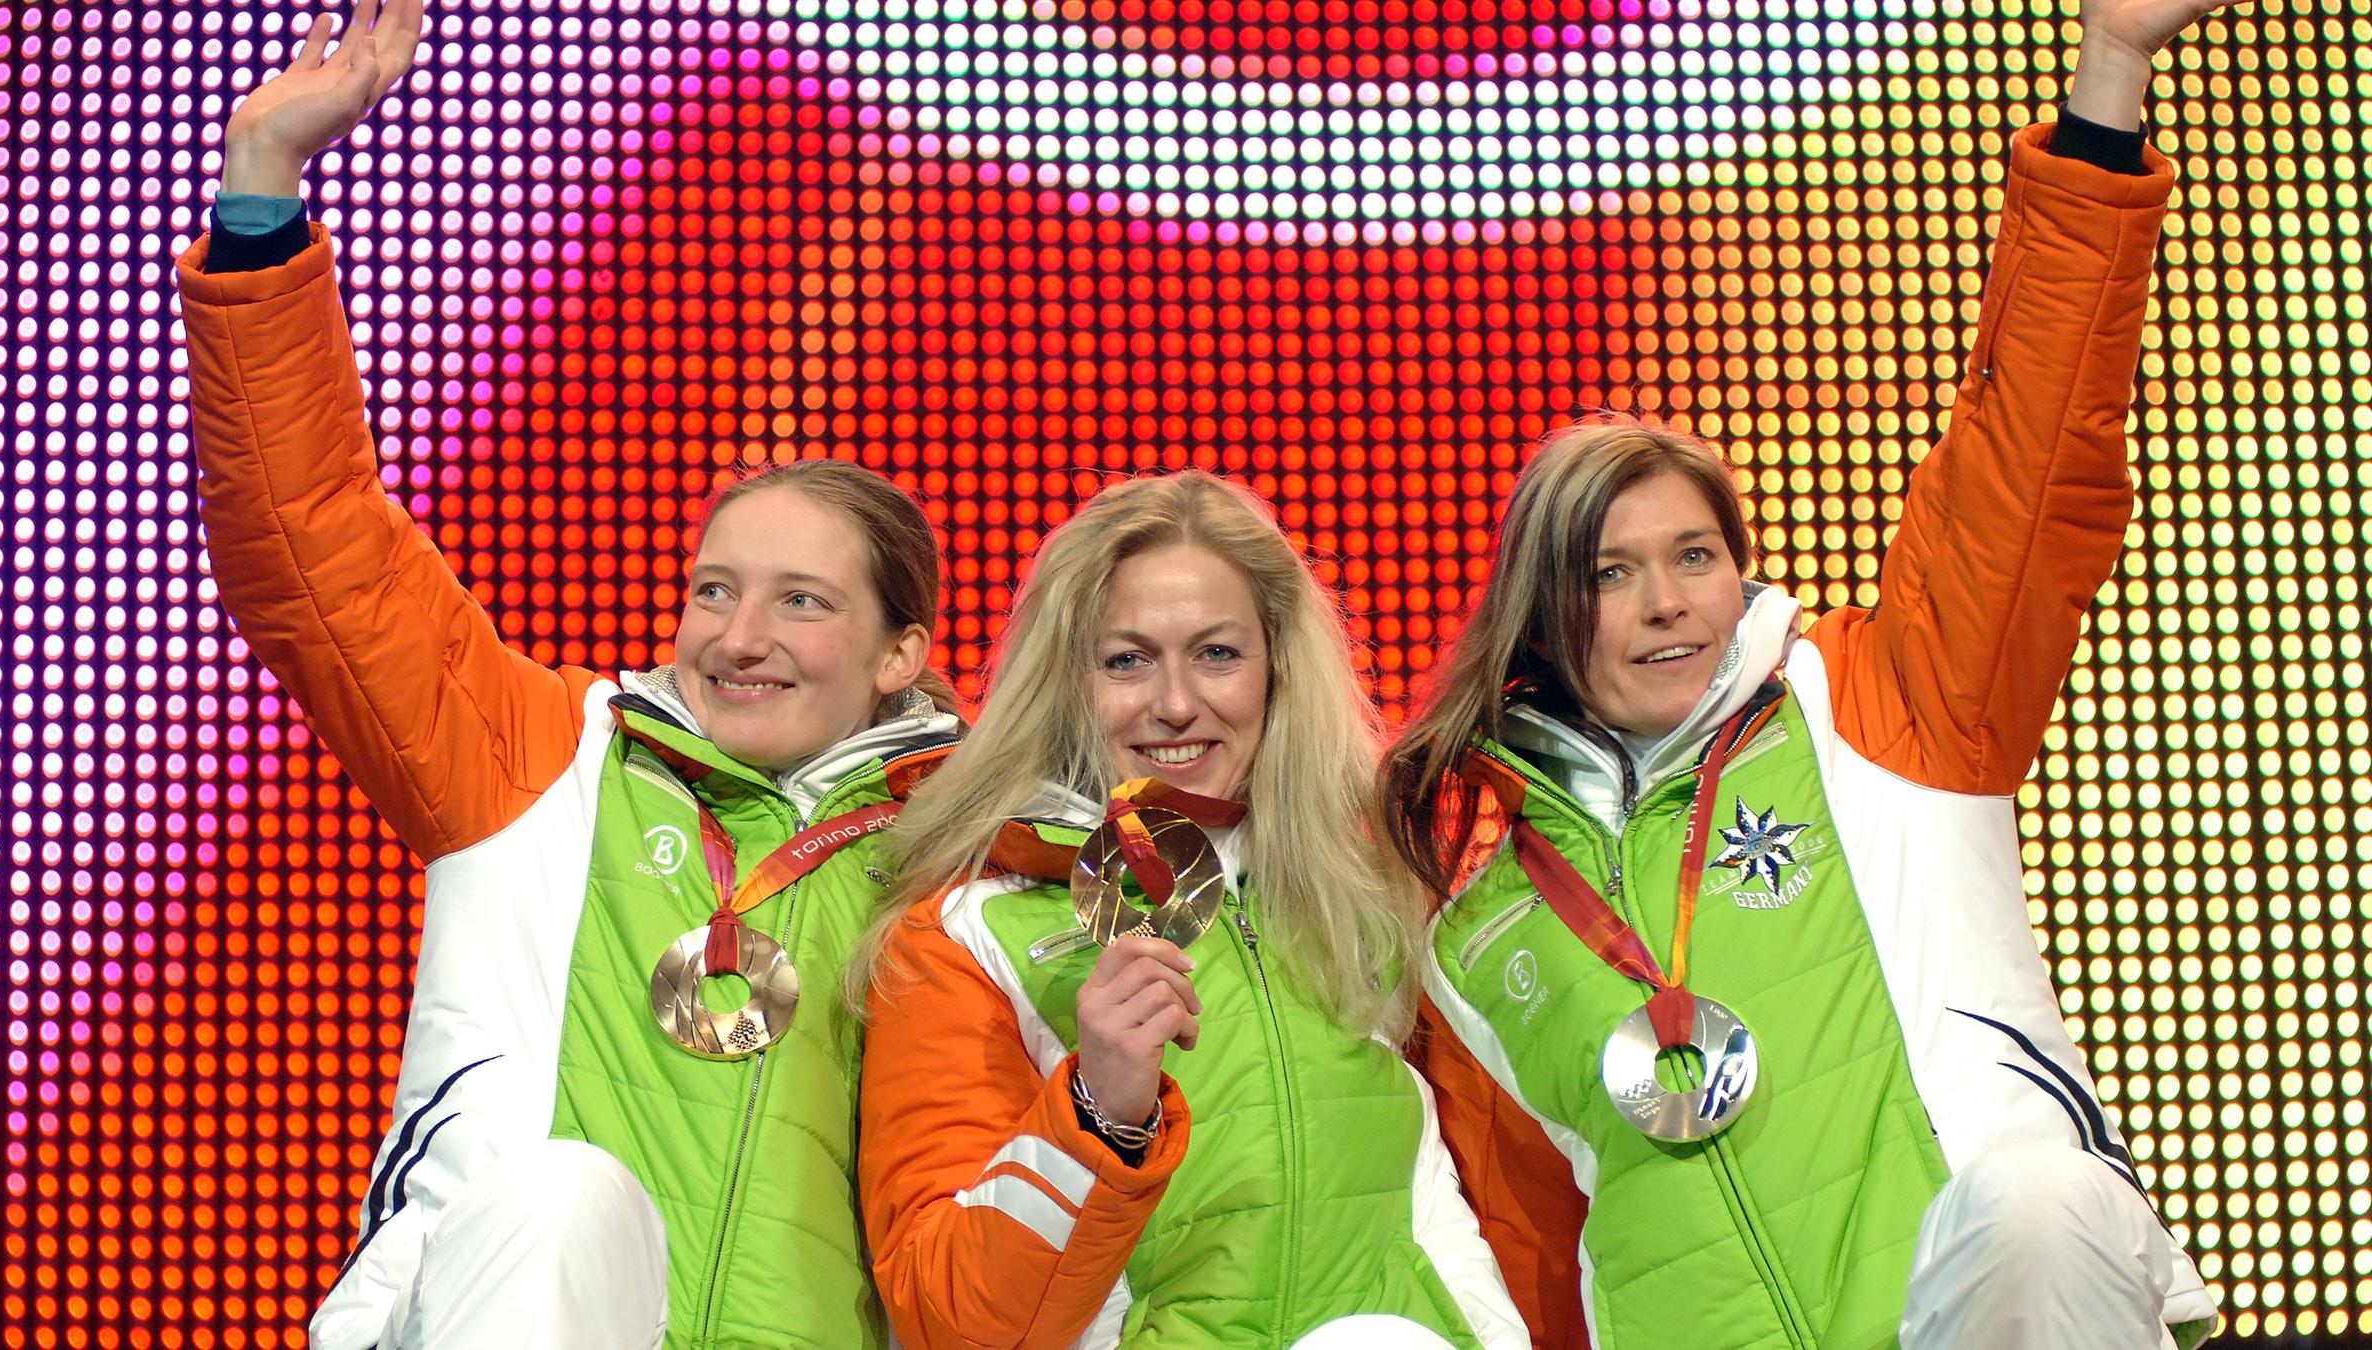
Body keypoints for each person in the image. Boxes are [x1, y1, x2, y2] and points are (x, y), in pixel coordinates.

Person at [1378, 2, 2236, 1347]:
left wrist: (2111, 72)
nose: (1665, 602)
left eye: (1695, 554)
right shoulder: (1475, 946)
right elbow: (1527, 1277)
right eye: (1608, 571)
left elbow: (2034, 434)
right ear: (1542, 614)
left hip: (1985, 1311)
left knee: (2037, 1199)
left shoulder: (1885, 699)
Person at [176, 2, 961, 1345]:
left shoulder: (971, 856)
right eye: (714, 588)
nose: (739, 633)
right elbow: (313, 544)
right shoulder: (543, 753)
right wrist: (262, 193)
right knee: (555, 1195)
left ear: (902, 655)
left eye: (802, 602)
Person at [853, 472, 1529, 1349]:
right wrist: (1098, 1110)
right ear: (1067, 680)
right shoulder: (964, 935)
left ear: (1278, 667)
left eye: (1217, 654)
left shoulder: (1362, 892)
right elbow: (950, 1321)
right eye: (1127, 659)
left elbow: (1432, 1212)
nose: (1176, 703)